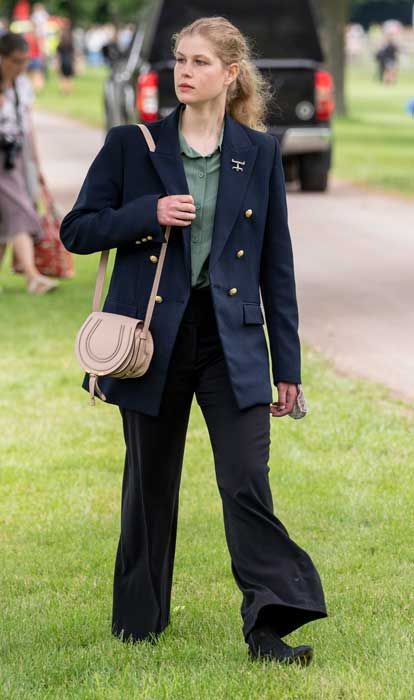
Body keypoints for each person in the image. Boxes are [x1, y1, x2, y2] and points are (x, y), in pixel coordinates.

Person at [60, 16, 327, 665]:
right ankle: (139, 622)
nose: (184, 71)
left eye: (200, 62)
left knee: (245, 481)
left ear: (230, 73)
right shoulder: (134, 145)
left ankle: (269, 627)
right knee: (149, 482)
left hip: (230, 341)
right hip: (153, 339)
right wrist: (144, 214)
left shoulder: (258, 152)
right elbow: (78, 229)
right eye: (180, 60)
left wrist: (285, 365)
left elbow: (276, 266)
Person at [0, 31, 58, 294]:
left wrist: (36, 163)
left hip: (18, 154)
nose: (21, 66)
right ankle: (33, 276)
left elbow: (28, 126)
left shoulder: (21, 86)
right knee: (21, 209)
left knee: (9, 216)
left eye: (25, 61)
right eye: (16, 60)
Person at [56, 25, 75, 96]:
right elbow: (73, 54)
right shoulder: (71, 43)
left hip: (63, 62)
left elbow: (58, 56)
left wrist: (57, 64)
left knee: (62, 78)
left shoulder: (60, 45)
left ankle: (63, 91)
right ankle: (68, 91)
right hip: (69, 62)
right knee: (69, 78)